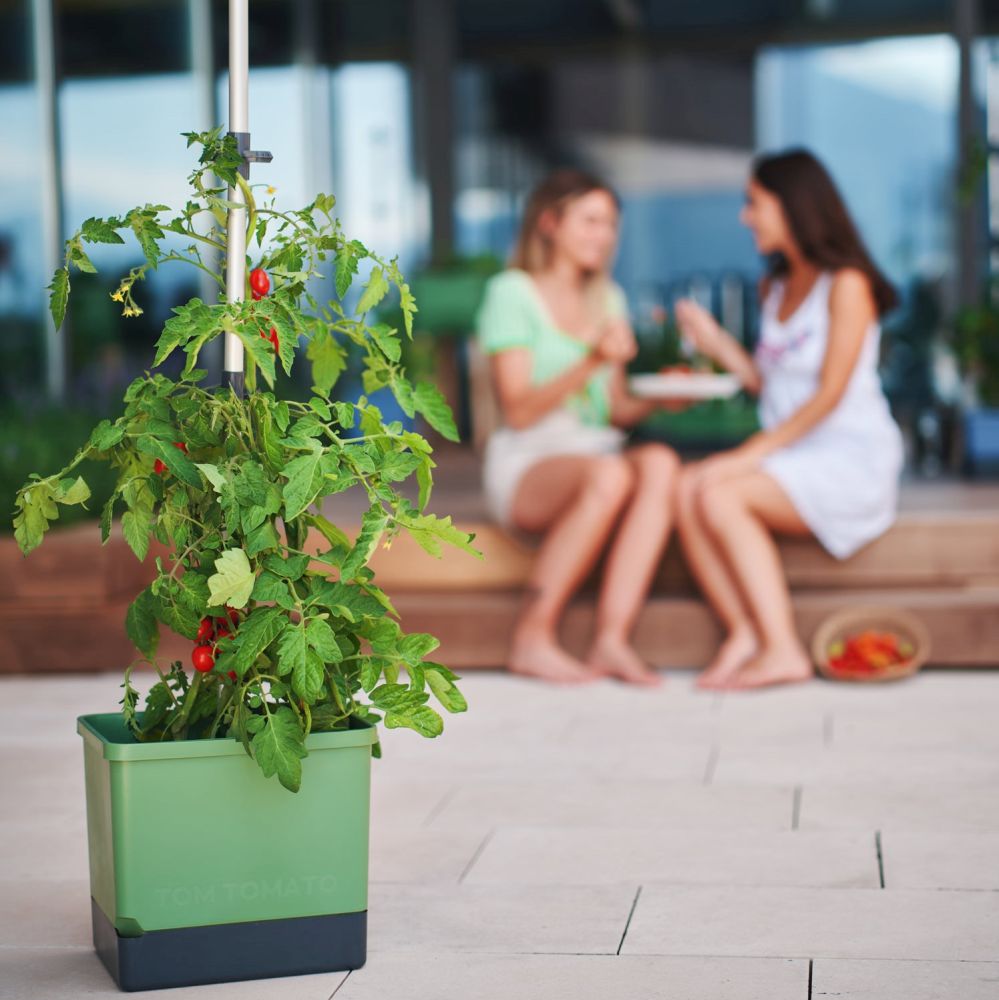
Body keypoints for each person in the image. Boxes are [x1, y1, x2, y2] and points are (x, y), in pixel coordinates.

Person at [673, 149, 903, 691]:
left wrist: (748, 455)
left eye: (754, 203)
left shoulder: (847, 284)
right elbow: (769, 380)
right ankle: (744, 633)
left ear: (793, 205)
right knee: (686, 486)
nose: (744, 217)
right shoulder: (772, 287)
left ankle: (781, 649)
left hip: (848, 458)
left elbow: (828, 394)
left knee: (718, 492)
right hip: (791, 452)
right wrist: (714, 342)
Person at [476, 169, 680, 686]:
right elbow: (518, 410)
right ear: (549, 223)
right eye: (590, 221)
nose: (604, 235)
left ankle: (612, 638)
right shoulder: (511, 292)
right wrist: (591, 359)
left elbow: (614, 411)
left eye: (611, 224)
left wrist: (660, 401)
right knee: (610, 475)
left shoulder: (606, 298)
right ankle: (531, 637)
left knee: (659, 463)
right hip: (529, 457)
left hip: (596, 450)